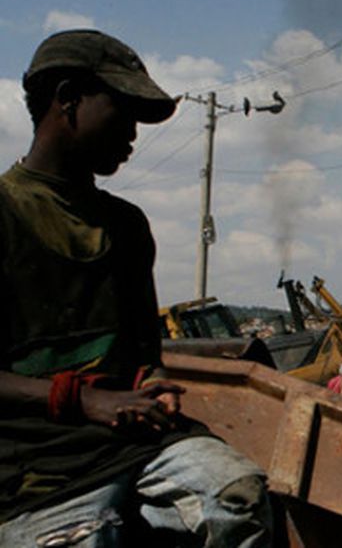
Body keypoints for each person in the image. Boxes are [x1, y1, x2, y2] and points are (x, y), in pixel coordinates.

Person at [0, 30, 271, 546]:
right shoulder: (5, 213)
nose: (132, 134)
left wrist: (155, 380)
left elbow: (144, 350)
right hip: (34, 468)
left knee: (238, 498)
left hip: (136, 446)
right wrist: (81, 400)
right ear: (68, 99)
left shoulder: (126, 226)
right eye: (122, 112)